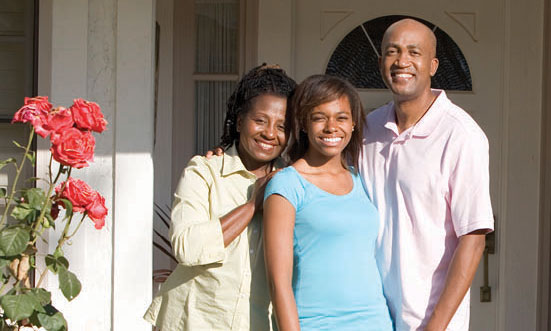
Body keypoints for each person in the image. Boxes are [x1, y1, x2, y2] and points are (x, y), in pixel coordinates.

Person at [360, 18, 494, 330]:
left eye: (413, 52)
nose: (401, 61)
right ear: (381, 63)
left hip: (429, 322)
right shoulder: (368, 129)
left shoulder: (460, 135)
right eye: (392, 52)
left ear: (432, 65)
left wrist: (435, 327)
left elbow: (472, 240)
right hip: (372, 316)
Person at [144, 64, 296, 330]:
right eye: (260, 121)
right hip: (194, 320)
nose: (270, 133)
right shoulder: (204, 171)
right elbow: (186, 247)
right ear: (239, 121)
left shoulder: (292, 184)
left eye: (282, 126)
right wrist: (252, 205)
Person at [262, 75, 394, 331]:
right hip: (317, 324)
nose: (331, 127)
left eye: (341, 117)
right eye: (319, 117)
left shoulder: (362, 178)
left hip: (376, 322)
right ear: (303, 124)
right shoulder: (287, 185)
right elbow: (278, 283)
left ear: (354, 124)